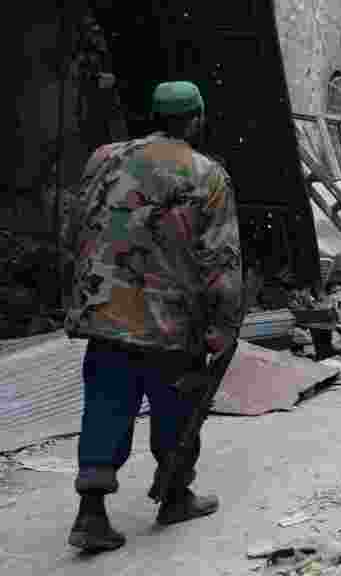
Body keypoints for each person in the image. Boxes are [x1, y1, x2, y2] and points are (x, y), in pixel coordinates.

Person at [62, 81, 243, 552]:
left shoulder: (104, 158)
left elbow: (74, 224)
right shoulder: (206, 174)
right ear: (196, 119)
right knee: (176, 406)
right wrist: (223, 326)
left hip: (104, 309)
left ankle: (91, 513)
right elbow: (220, 261)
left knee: (106, 402)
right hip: (170, 320)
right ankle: (175, 494)